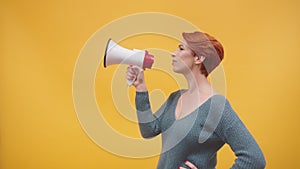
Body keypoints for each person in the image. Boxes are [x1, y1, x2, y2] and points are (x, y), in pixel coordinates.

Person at [126, 31, 266, 169]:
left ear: (199, 58)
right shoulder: (176, 97)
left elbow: (254, 158)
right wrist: (140, 87)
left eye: (181, 49)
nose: (173, 53)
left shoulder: (216, 106)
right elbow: (149, 130)